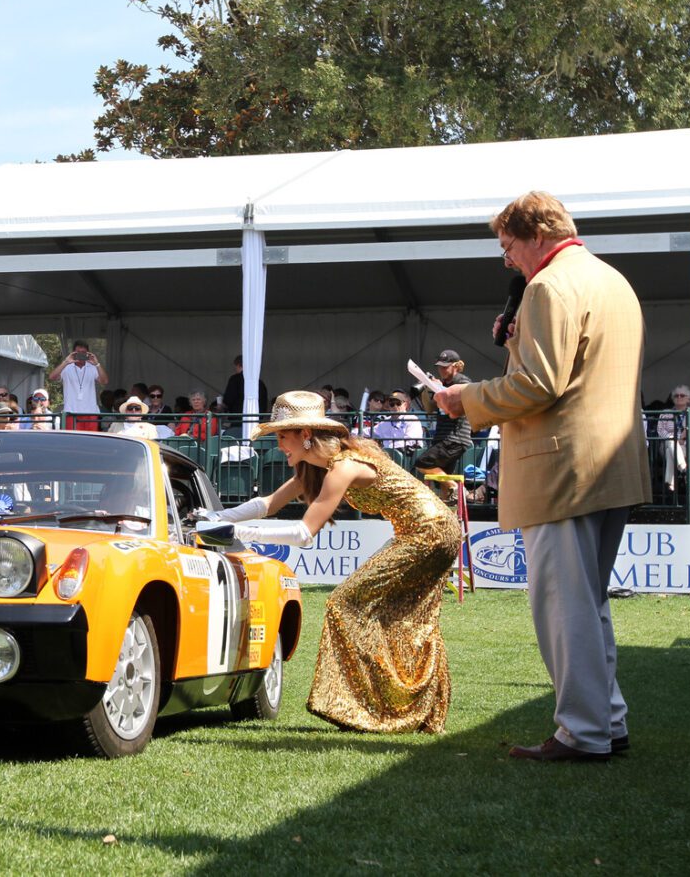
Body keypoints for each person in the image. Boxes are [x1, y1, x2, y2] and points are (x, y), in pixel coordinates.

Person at [435, 190, 649, 762]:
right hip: (612, 464)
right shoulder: (611, 280)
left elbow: (539, 385)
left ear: (536, 236)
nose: (506, 259)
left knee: (564, 606)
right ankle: (606, 722)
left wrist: (466, 398)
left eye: (508, 246)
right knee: (589, 601)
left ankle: (582, 732)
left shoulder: (549, 287)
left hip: (562, 469)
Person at [202, 391, 461, 733]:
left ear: (305, 435)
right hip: (422, 531)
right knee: (400, 618)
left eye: (283, 436)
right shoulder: (318, 466)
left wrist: (235, 531)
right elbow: (268, 503)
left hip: (431, 532)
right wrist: (213, 516)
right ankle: (395, 709)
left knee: (344, 603)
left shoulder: (344, 466)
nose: (280, 445)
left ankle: (367, 708)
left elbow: (304, 533)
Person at [414, 349, 472, 486]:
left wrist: (441, 389)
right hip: (443, 437)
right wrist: (429, 387)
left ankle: (457, 489)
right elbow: (429, 409)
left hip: (454, 438)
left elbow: (456, 405)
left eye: (445, 367)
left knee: (422, 463)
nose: (441, 370)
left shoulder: (463, 382)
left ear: (456, 366)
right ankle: (450, 501)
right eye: (439, 367)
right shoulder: (443, 384)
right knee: (442, 481)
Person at [48, 340, 108, 430]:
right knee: (73, 442)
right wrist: (66, 362)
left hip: (90, 413)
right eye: (78, 352)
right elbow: (52, 377)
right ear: (73, 353)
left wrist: (97, 364)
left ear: (88, 353)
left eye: (83, 352)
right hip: (71, 413)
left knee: (90, 440)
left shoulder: (93, 367)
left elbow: (104, 381)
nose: (81, 355)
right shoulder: (66, 367)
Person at [654, 384, 690, 492]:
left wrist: (683, 439)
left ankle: (670, 482)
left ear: (688, 399)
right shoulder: (665, 413)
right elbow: (660, 431)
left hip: (688, 446)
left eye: (682, 395)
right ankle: (683, 468)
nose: (679, 397)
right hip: (668, 444)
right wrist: (679, 438)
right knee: (670, 441)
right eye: (676, 396)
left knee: (671, 450)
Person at [221, 354, 269, 426]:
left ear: (238, 365)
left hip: (238, 419)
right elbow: (264, 402)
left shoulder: (234, 379)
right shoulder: (259, 382)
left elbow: (228, 399)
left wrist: (223, 405)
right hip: (256, 419)